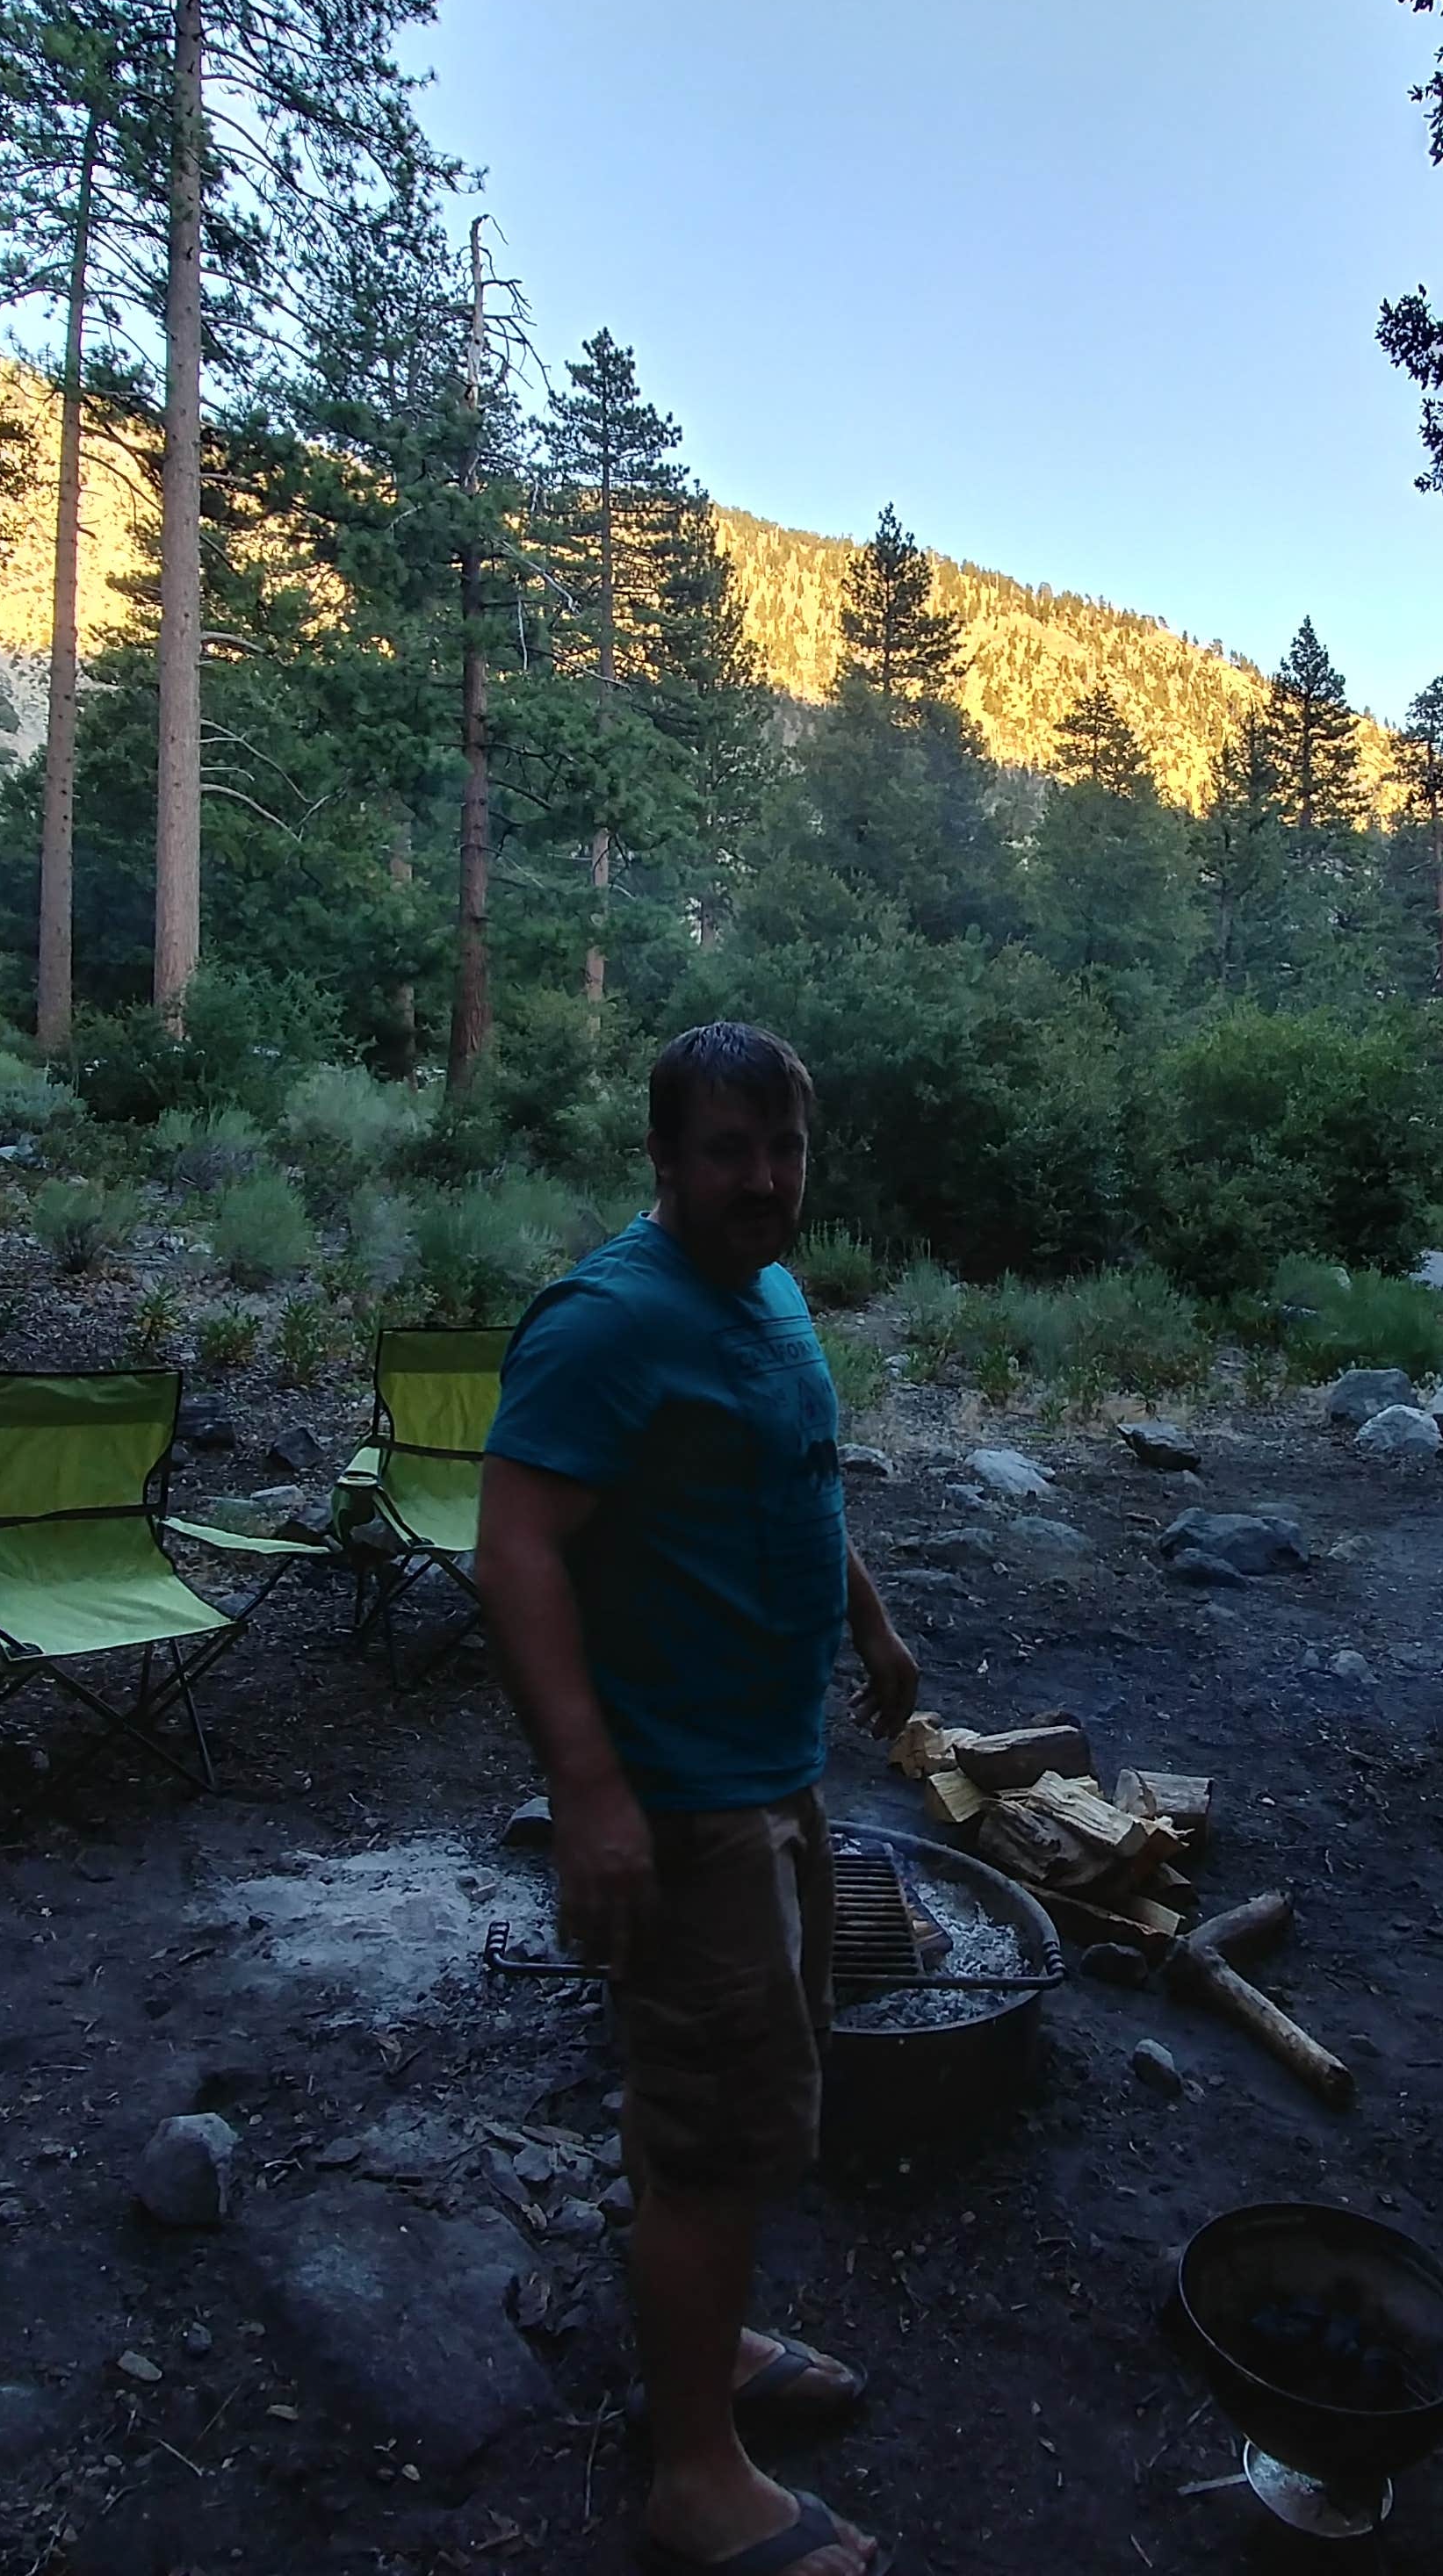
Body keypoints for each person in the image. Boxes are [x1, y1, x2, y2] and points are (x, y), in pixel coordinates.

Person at [479, 1020, 918, 2576]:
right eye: (726, 1149)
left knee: (718, 2114)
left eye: (782, 1147)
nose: (762, 1178)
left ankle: (705, 2345)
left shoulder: (772, 1294)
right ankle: (693, 2475)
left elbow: (801, 1471)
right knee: (724, 2129)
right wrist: (588, 1791)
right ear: (665, 1159)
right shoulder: (611, 1320)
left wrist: (869, 1622)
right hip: (680, 1799)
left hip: (776, 1767)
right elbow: (514, 1548)